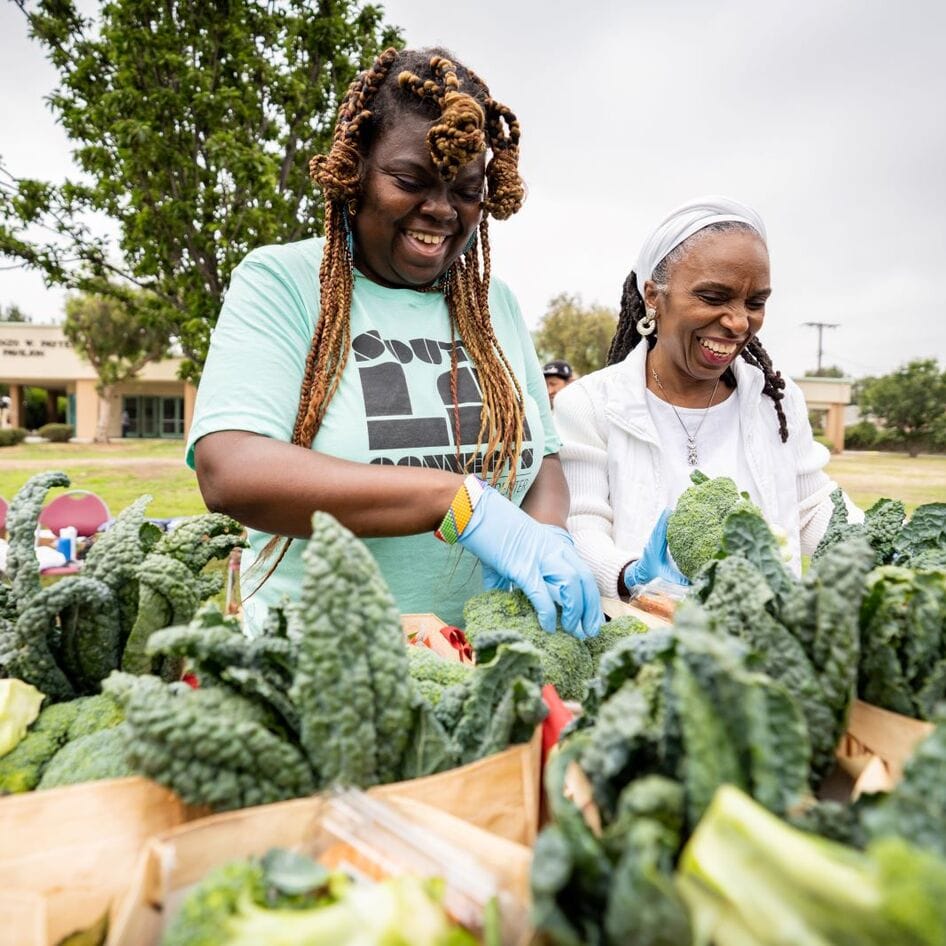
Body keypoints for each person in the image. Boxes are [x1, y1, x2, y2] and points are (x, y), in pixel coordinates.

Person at [187, 47, 602, 638]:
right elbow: (231, 470)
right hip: (325, 666)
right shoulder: (284, 281)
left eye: (465, 190)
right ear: (355, 169)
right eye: (411, 181)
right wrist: (460, 504)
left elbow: (544, 460)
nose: (439, 210)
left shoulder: (493, 304)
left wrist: (547, 537)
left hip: (485, 662)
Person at [553, 195, 862, 599]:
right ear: (652, 296)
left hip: (762, 649)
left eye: (755, 303)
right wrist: (632, 576)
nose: (737, 322)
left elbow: (815, 510)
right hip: (643, 646)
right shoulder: (589, 405)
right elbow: (579, 527)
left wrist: (895, 551)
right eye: (713, 298)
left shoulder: (776, 403)